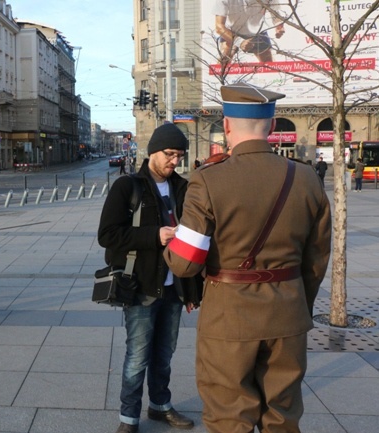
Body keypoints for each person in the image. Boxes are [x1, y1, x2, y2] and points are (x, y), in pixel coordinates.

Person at [164, 83, 332, 433]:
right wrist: (298, 302)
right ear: (271, 127)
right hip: (288, 314)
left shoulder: (208, 180)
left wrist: (169, 244)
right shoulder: (306, 178)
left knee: (229, 419)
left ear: (226, 125)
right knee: (283, 419)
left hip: (228, 317)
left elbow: (184, 262)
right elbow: (317, 260)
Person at [98, 123, 196, 433]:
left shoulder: (184, 188)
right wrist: (156, 235)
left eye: (179, 156)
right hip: (140, 287)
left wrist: (193, 290)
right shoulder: (128, 187)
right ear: (153, 151)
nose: (174, 161)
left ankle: (160, 406)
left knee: (164, 354)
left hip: (174, 287)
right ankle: (129, 418)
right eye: (169, 154)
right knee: (137, 356)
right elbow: (108, 235)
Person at [214, 0, 285, 65]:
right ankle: (218, 78)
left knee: (270, 65)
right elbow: (219, 26)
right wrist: (239, 42)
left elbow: (275, 13)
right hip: (232, 32)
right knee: (224, 60)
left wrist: (279, 26)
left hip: (257, 32)